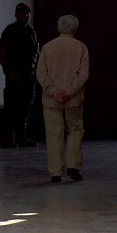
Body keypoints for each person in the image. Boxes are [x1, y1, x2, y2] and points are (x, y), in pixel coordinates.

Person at [36, 15, 89, 183]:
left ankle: (55, 171)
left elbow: (41, 73)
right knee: (75, 130)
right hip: (74, 100)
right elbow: (83, 74)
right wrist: (69, 91)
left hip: (51, 101)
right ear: (75, 28)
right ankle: (73, 165)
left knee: (54, 134)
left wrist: (53, 92)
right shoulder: (81, 47)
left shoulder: (47, 47)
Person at [0, 3, 40, 147]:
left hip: (28, 76)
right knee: (11, 107)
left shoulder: (31, 31)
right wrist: (9, 72)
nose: (26, 16)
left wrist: (34, 69)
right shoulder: (10, 30)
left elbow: (36, 51)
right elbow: (1, 53)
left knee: (25, 107)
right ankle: (9, 138)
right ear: (16, 14)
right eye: (22, 13)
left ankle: (22, 137)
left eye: (27, 13)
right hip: (13, 76)